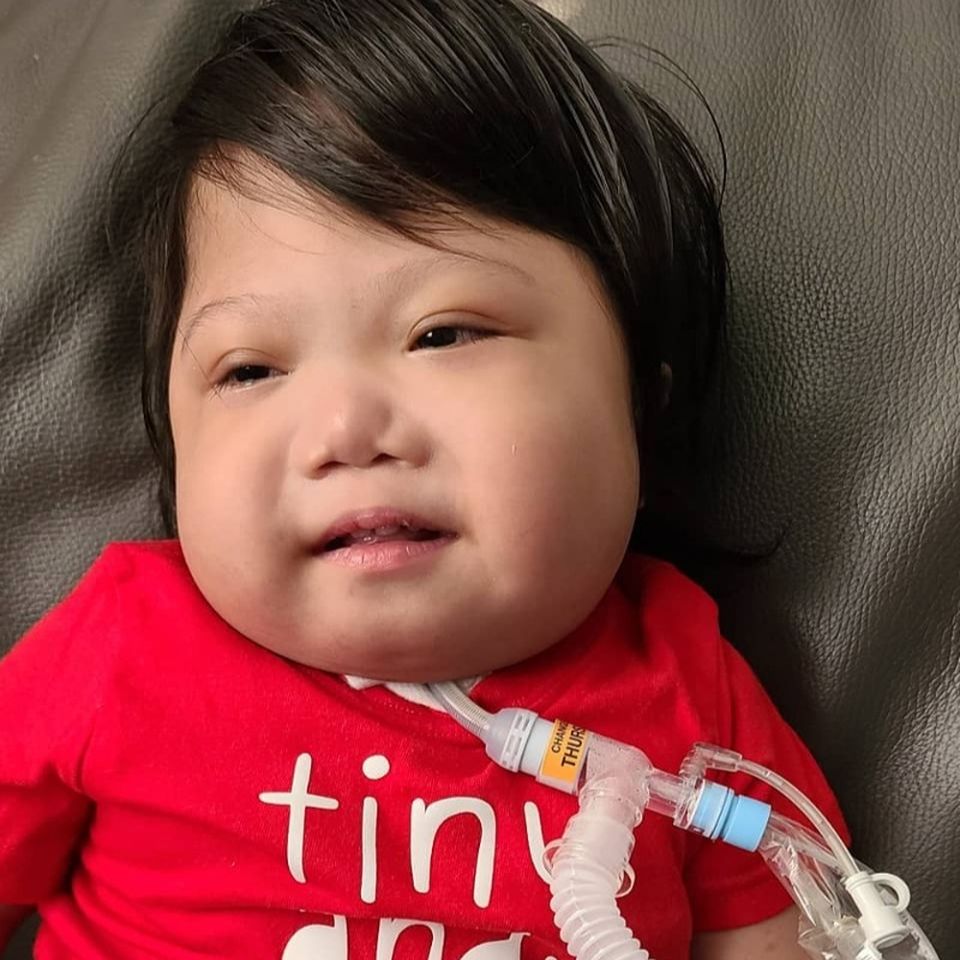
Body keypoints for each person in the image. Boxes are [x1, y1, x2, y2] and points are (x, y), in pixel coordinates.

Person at [0, 1, 849, 957]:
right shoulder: (122, 648)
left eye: (443, 335)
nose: (344, 431)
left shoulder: (690, 694)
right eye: (250, 370)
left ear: (639, 422)